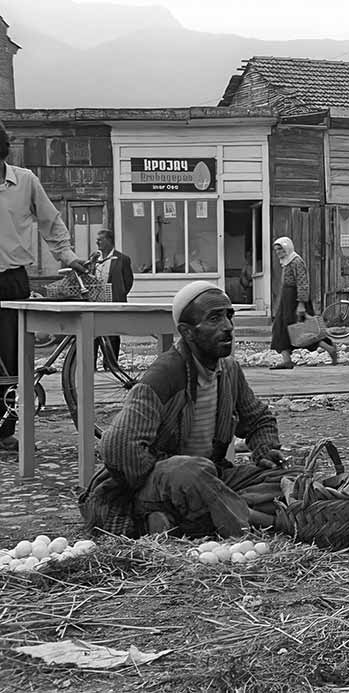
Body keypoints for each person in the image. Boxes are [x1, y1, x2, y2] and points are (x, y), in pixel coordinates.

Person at [79, 282, 289, 538]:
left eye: (229, 316)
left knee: (287, 479)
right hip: (166, 483)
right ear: (187, 332)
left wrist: (265, 449)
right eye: (214, 318)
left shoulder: (229, 371)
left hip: (211, 476)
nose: (228, 327)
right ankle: (264, 522)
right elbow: (117, 447)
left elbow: (258, 419)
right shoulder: (164, 375)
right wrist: (161, 475)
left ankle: (196, 515)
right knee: (192, 472)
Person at [0, 122, 89, 452]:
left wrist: (68, 255)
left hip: (12, 280)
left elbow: (51, 222)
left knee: (11, 358)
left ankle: (4, 429)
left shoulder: (24, 182)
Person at [269, 236, 338, 369]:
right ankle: (287, 360)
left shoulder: (296, 261)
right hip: (286, 301)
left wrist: (301, 304)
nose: (278, 252)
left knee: (303, 331)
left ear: (287, 248)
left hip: (296, 301)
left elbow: (303, 283)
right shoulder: (286, 262)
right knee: (280, 328)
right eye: (276, 250)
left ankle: (330, 349)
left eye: (280, 249)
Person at [91, 227, 134, 363]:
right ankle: (91, 364)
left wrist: (118, 294)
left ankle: (111, 364)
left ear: (109, 241)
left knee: (112, 335)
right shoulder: (94, 257)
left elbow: (128, 281)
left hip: (113, 302)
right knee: (93, 335)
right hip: (95, 302)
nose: (97, 243)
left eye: (100, 240)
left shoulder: (122, 259)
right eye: (96, 241)